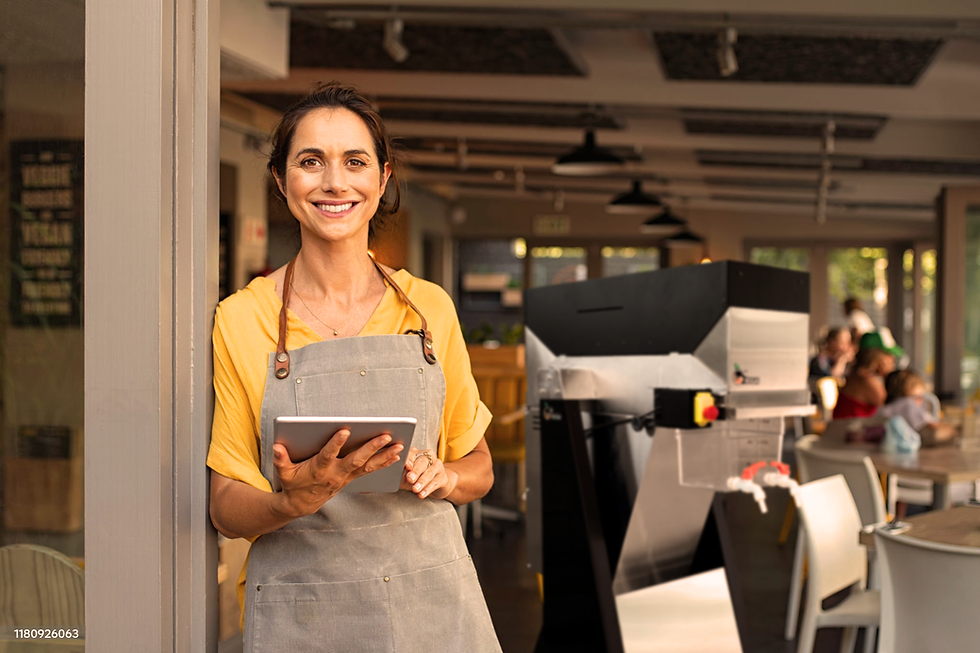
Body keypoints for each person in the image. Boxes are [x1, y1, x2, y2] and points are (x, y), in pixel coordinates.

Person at [207, 82, 502, 652]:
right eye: (310, 161)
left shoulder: (427, 310)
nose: (334, 182)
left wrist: (446, 477)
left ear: (382, 177)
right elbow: (225, 506)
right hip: (306, 612)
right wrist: (292, 500)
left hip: (431, 604)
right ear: (280, 179)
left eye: (355, 161)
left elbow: (479, 466)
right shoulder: (243, 319)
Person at [879, 369, 958, 446]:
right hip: (913, 439)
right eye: (919, 397)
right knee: (948, 432)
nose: (921, 400)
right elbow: (929, 424)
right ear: (910, 388)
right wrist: (952, 428)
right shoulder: (908, 404)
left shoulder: (888, 406)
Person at [833, 347, 893, 419]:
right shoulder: (865, 379)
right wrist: (888, 376)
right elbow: (888, 404)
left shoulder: (857, 375)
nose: (891, 365)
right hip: (848, 426)